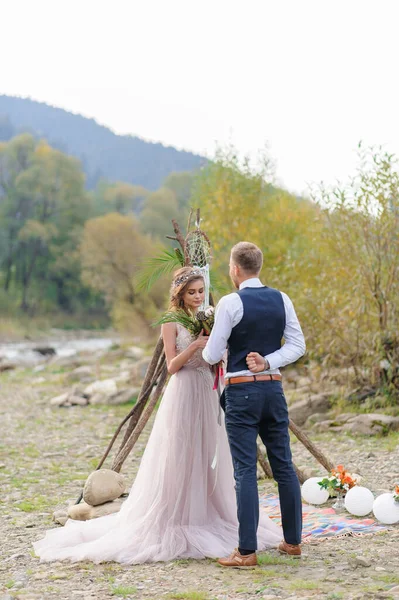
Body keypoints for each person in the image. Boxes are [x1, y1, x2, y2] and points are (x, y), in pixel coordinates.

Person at [33, 267, 282, 564]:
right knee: (181, 451)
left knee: (210, 450)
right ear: (179, 294)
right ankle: (178, 514)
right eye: (192, 292)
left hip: (208, 392)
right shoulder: (171, 321)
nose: (198, 297)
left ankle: (212, 510)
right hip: (185, 391)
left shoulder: (211, 315)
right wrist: (193, 347)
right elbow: (171, 366)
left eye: (201, 291)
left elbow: (218, 356)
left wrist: (217, 353)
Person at [203, 242, 306, 567]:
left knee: (246, 470)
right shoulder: (282, 298)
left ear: (235, 269)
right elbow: (297, 345)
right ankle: (292, 542)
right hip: (273, 390)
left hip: (241, 392)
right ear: (258, 267)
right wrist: (267, 360)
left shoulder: (231, 303)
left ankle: (246, 552)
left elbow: (210, 354)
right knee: (284, 466)